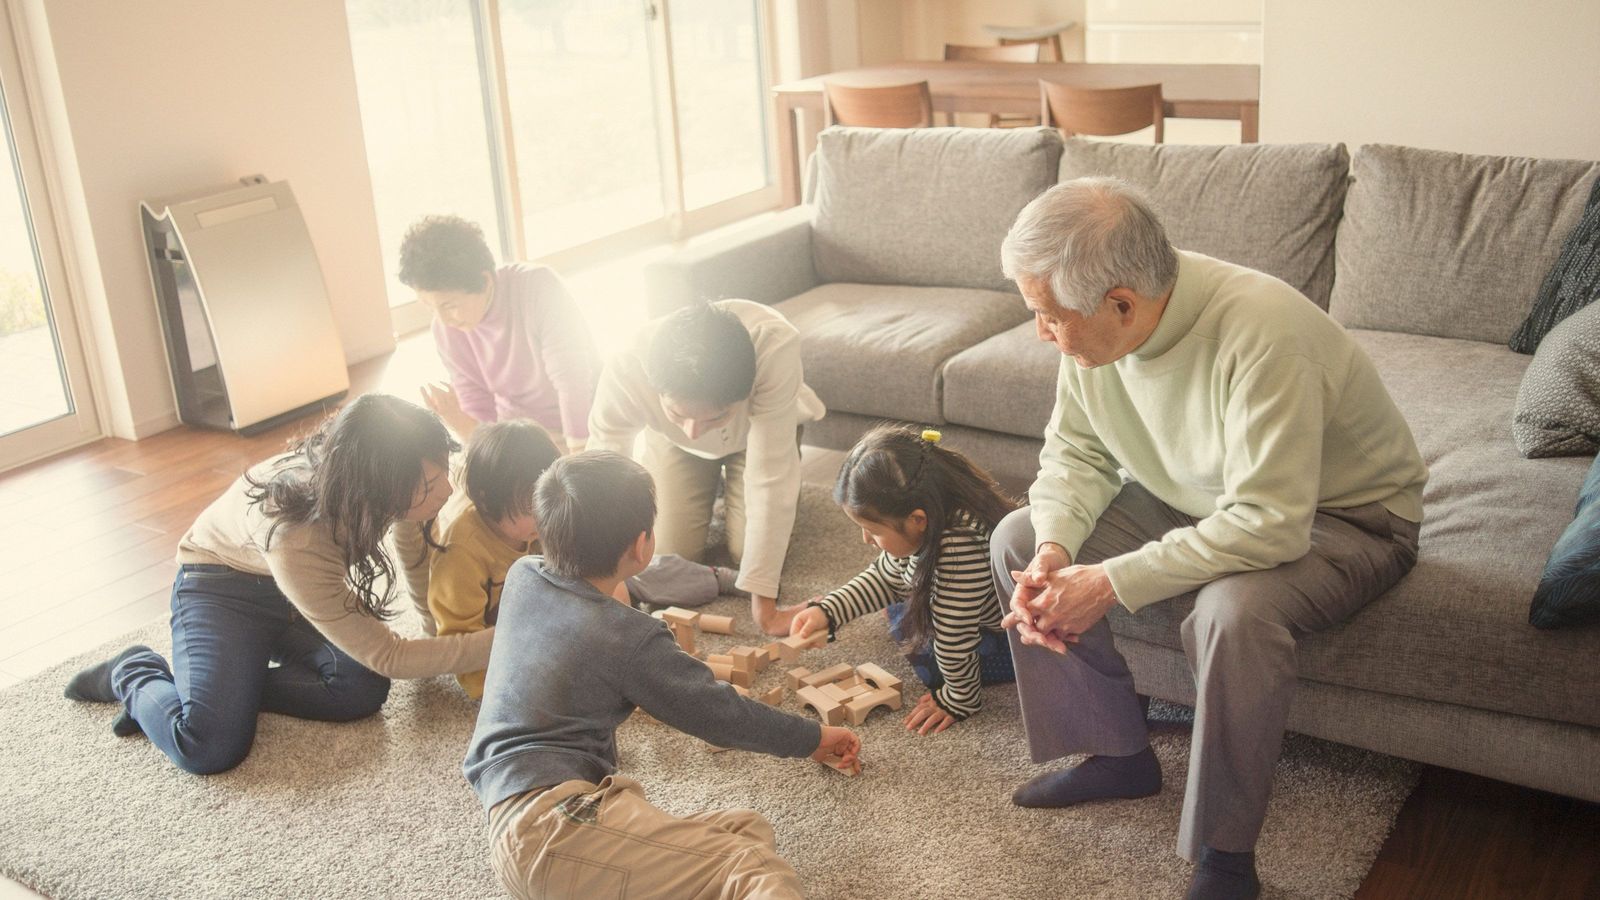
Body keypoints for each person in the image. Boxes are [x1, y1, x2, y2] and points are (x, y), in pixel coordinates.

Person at [990, 178, 1428, 900]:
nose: (1040, 332)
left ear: (1122, 304)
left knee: (1232, 613)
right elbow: (1077, 455)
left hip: (1346, 517)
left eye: (1047, 316)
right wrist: (1055, 553)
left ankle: (1226, 853)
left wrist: (1110, 581)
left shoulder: (1263, 332)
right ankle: (1117, 752)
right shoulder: (1098, 330)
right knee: (1017, 537)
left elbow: (1271, 520)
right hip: (1202, 499)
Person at [464, 450, 860, 898]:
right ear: (642, 544)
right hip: (559, 829)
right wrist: (812, 738)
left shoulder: (523, 575)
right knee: (750, 867)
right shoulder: (628, 638)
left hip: (520, 830)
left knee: (744, 830)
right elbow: (719, 714)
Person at [62, 394, 495, 775]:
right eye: (431, 484)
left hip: (295, 593)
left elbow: (411, 541)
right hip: (220, 588)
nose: (448, 489)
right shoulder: (296, 535)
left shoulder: (373, 472)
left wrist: (436, 629)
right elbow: (390, 654)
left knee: (360, 689)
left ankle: (225, 690)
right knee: (208, 745)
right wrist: (501, 638)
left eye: (441, 475)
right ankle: (133, 671)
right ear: (378, 485)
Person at [425, 419, 742, 697]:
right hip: (522, 641)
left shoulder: (547, 516)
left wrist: (611, 591)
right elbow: (460, 645)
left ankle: (716, 578)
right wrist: (496, 691)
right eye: (529, 510)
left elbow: (590, 565)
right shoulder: (460, 555)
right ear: (485, 500)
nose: (542, 519)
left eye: (545, 503)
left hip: (566, 601)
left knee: (636, 564)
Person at [586, 300, 825, 635]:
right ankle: (709, 476)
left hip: (754, 436)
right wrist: (605, 573)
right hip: (671, 444)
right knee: (667, 551)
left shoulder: (775, 346)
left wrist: (765, 610)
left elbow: (771, 473)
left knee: (747, 556)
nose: (694, 431)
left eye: (714, 416)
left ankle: (732, 480)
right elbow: (602, 471)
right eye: (678, 413)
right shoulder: (627, 364)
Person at [789, 424, 1017, 734]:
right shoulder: (928, 517)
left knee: (925, 652)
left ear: (917, 520)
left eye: (874, 531)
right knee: (905, 606)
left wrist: (958, 699)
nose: (866, 539)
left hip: (1014, 639)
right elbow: (885, 575)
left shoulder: (957, 548)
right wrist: (829, 610)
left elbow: (953, 634)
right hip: (965, 608)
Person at [399, 214, 599, 452]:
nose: (442, 319)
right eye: (429, 306)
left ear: (485, 281)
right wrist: (462, 423)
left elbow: (571, 380)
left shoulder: (538, 286)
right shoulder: (445, 329)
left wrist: (579, 451)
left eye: (449, 305)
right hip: (519, 432)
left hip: (582, 419)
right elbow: (478, 408)